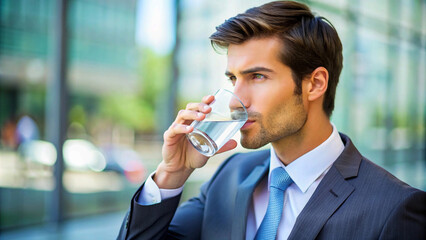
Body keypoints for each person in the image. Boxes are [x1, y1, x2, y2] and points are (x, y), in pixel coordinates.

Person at [117, 1, 425, 239]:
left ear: (315, 84)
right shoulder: (230, 176)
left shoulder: (394, 208)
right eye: (233, 78)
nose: (239, 99)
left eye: (258, 76)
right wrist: (172, 173)